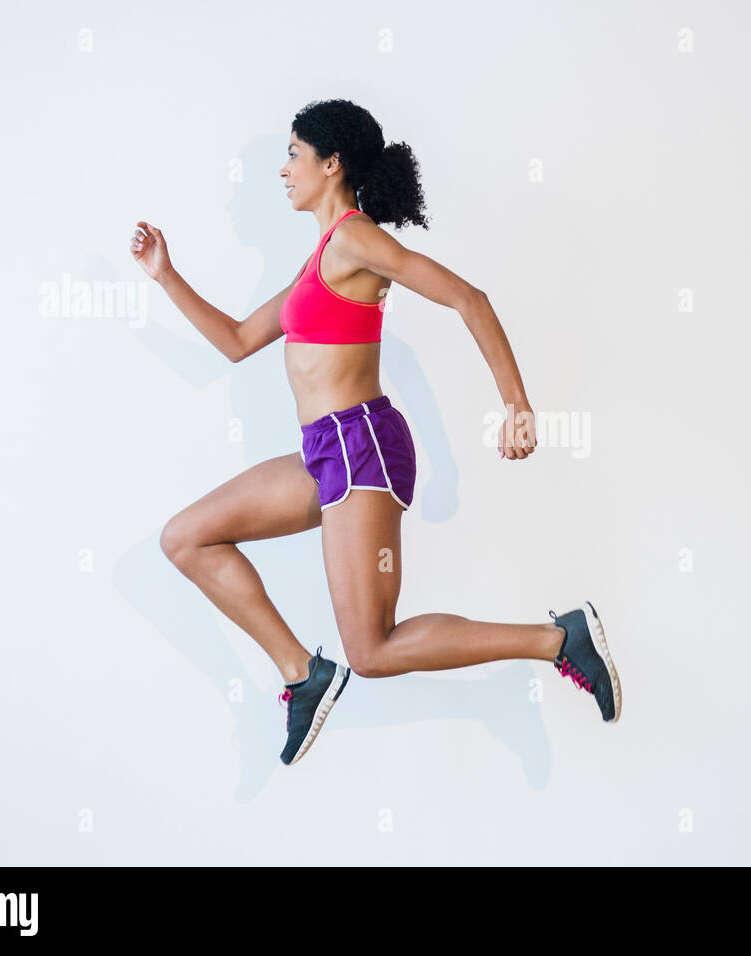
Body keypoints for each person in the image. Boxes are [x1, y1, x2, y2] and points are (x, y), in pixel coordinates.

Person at [130, 98, 620, 766]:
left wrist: (517, 406)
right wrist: (166, 277)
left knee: (373, 649)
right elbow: (240, 340)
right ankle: (304, 674)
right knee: (187, 538)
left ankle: (559, 639)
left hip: (363, 449)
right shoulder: (320, 258)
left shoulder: (357, 239)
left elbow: (468, 298)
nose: (283, 169)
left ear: (333, 165)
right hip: (326, 454)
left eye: (295, 154)